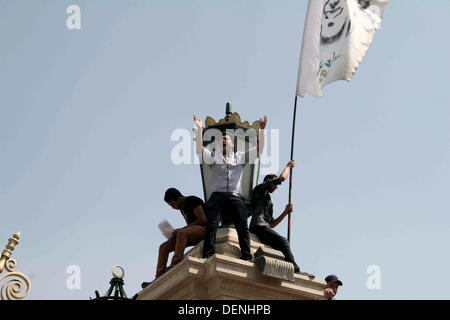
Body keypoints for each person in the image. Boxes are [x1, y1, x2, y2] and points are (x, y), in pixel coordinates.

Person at [193, 114, 267, 261]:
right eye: (221, 140)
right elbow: (199, 150)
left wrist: (262, 131)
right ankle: (207, 255)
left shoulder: (240, 157)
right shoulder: (214, 157)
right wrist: (199, 129)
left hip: (235, 196)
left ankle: (246, 255)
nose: (224, 140)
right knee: (211, 225)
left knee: (242, 226)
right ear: (220, 145)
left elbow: (258, 151)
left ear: (233, 144)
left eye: (226, 139)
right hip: (218, 195)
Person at [249, 160, 312, 276]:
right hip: (259, 226)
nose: (276, 188)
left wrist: (285, 212)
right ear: (269, 181)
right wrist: (288, 166)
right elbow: (282, 178)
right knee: (283, 241)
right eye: (275, 185)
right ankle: (295, 270)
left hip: (264, 226)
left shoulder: (268, 200)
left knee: (281, 246)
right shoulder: (261, 189)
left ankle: (285, 268)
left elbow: (272, 223)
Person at [141, 188, 207, 289]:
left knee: (181, 232)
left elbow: (203, 219)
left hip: (204, 230)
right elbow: (189, 227)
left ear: (179, 199)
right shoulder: (182, 208)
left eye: (172, 205)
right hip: (192, 232)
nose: (173, 208)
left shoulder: (192, 200)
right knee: (164, 247)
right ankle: (158, 276)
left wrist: (181, 230)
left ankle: (175, 264)